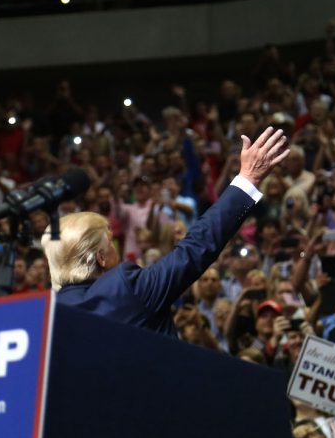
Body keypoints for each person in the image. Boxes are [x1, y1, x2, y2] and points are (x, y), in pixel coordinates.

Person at [47, 126, 289, 336]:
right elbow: (196, 247)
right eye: (109, 243)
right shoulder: (126, 288)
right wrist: (248, 178)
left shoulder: (46, 318)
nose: (115, 249)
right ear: (100, 258)